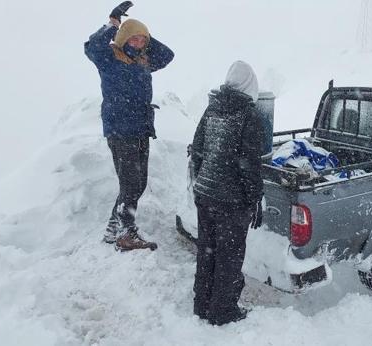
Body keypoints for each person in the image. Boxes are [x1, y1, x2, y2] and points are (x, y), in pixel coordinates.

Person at [84, 3, 175, 251]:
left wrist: (144, 35)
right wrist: (114, 23)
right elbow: (91, 47)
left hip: (141, 129)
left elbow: (167, 55)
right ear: (122, 39)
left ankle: (114, 228)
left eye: (141, 40)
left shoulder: (143, 62)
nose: (137, 43)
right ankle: (126, 234)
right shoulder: (109, 59)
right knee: (131, 184)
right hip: (120, 129)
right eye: (132, 39)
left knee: (138, 182)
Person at [190, 61, 265, 325]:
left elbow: (197, 149)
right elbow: (249, 163)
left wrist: (199, 180)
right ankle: (223, 311)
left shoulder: (213, 107)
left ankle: (202, 303)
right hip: (231, 201)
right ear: (249, 85)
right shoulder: (249, 115)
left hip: (206, 194)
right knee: (229, 257)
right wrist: (256, 197)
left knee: (207, 251)